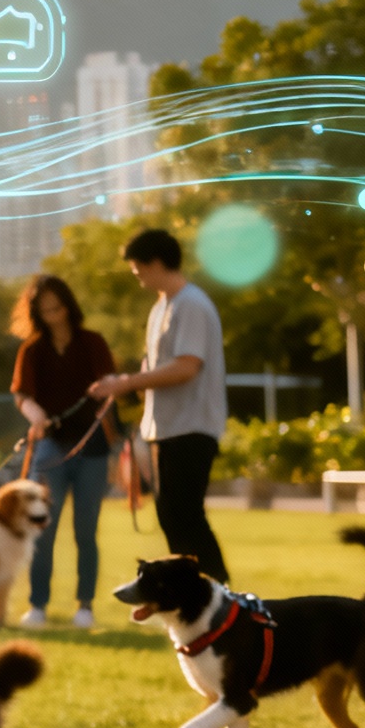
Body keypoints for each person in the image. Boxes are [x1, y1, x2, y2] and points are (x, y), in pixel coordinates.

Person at [89, 228, 231, 582]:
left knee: (186, 516)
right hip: (166, 429)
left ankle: (219, 595)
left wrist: (126, 382)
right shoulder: (161, 308)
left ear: (154, 262)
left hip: (192, 426)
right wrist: (125, 385)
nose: (135, 274)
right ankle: (192, 593)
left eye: (137, 267)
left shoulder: (191, 304)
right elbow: (155, 369)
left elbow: (186, 366)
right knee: (171, 516)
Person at [8, 275, 116, 629]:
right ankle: (37, 605)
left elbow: (112, 384)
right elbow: (22, 395)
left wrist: (106, 390)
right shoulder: (32, 350)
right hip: (50, 447)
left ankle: (85, 606)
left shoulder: (93, 342)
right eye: (45, 311)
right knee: (42, 528)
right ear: (36, 313)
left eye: (57, 308)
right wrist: (35, 415)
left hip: (92, 447)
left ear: (68, 306)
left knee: (86, 531)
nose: (53, 315)